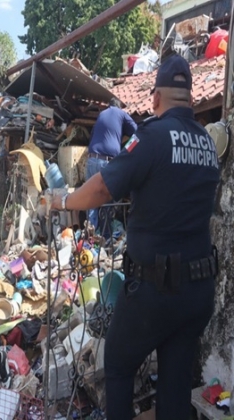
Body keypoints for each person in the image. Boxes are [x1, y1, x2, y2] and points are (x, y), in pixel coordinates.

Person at [51, 55, 220, 420]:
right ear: (190, 98)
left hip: (155, 291)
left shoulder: (152, 137)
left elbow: (101, 189)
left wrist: (61, 200)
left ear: (156, 98)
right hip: (198, 291)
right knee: (175, 382)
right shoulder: (207, 144)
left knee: (118, 364)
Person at [86, 97, 137, 231]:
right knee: (107, 199)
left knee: (91, 198)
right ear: (119, 107)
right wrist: (128, 149)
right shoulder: (122, 114)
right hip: (107, 162)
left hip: (91, 159)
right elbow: (137, 133)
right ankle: (105, 237)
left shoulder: (101, 114)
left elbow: (92, 136)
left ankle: (90, 235)